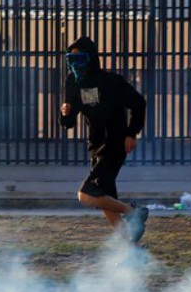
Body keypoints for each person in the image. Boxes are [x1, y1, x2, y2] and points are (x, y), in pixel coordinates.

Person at [59, 36, 149, 243]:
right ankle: (131, 250)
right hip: (96, 145)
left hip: (115, 142)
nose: (75, 65)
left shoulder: (110, 82)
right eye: (71, 61)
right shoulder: (72, 82)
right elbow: (69, 122)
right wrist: (65, 113)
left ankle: (134, 213)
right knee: (105, 200)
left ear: (91, 59)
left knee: (86, 195)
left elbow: (138, 103)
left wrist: (131, 133)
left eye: (79, 60)